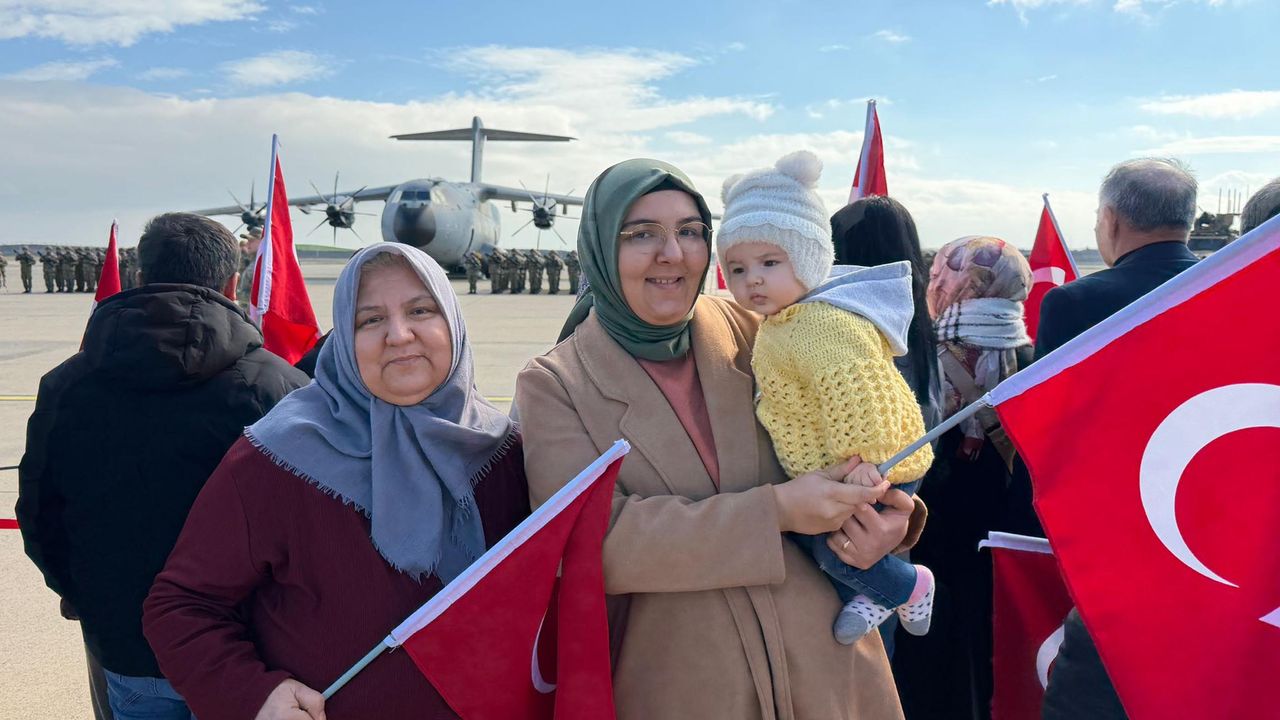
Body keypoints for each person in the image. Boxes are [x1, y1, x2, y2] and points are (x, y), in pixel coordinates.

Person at [517, 158, 925, 719]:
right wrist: (775, 511)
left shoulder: (759, 327)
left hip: (828, 669)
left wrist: (891, 519)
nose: (673, 253)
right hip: (688, 683)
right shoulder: (557, 384)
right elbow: (589, 543)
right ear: (600, 248)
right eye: (641, 235)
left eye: (690, 231)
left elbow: (850, 433)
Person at [144, 242, 530, 720]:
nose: (399, 334)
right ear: (343, 340)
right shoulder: (277, 458)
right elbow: (180, 606)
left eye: (420, 310)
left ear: (452, 323)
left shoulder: (504, 451)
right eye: (370, 320)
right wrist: (253, 695)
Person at [17, 212, 309, 719]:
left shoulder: (66, 385)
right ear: (232, 283)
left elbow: (40, 512)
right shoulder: (278, 388)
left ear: (138, 277)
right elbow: (311, 528)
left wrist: (81, 594)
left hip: (125, 639)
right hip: (242, 652)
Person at [717, 151, 935, 645]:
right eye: (738, 269)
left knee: (835, 549)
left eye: (770, 263)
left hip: (868, 463)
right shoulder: (785, 321)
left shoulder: (820, 324)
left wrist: (867, 462)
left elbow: (860, 393)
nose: (753, 279)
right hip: (842, 466)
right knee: (827, 543)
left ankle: (906, 587)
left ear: (810, 259)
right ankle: (880, 592)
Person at [1038, 158, 1200, 720]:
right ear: (1189, 219)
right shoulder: (1228, 291)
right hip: (1215, 527)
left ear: (1109, 221)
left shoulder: (1074, 304)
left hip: (1115, 540)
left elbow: (1051, 431)